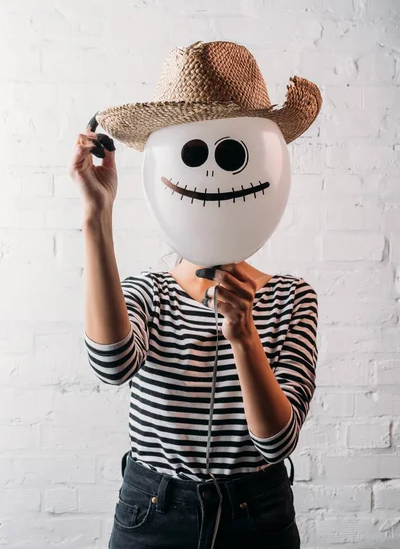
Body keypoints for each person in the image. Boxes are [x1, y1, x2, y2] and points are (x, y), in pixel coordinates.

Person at [70, 126, 318, 549]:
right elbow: (112, 366)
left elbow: (277, 441)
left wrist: (244, 337)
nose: (210, 179)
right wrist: (97, 213)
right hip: (153, 511)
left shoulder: (292, 296)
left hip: (258, 516)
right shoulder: (148, 291)